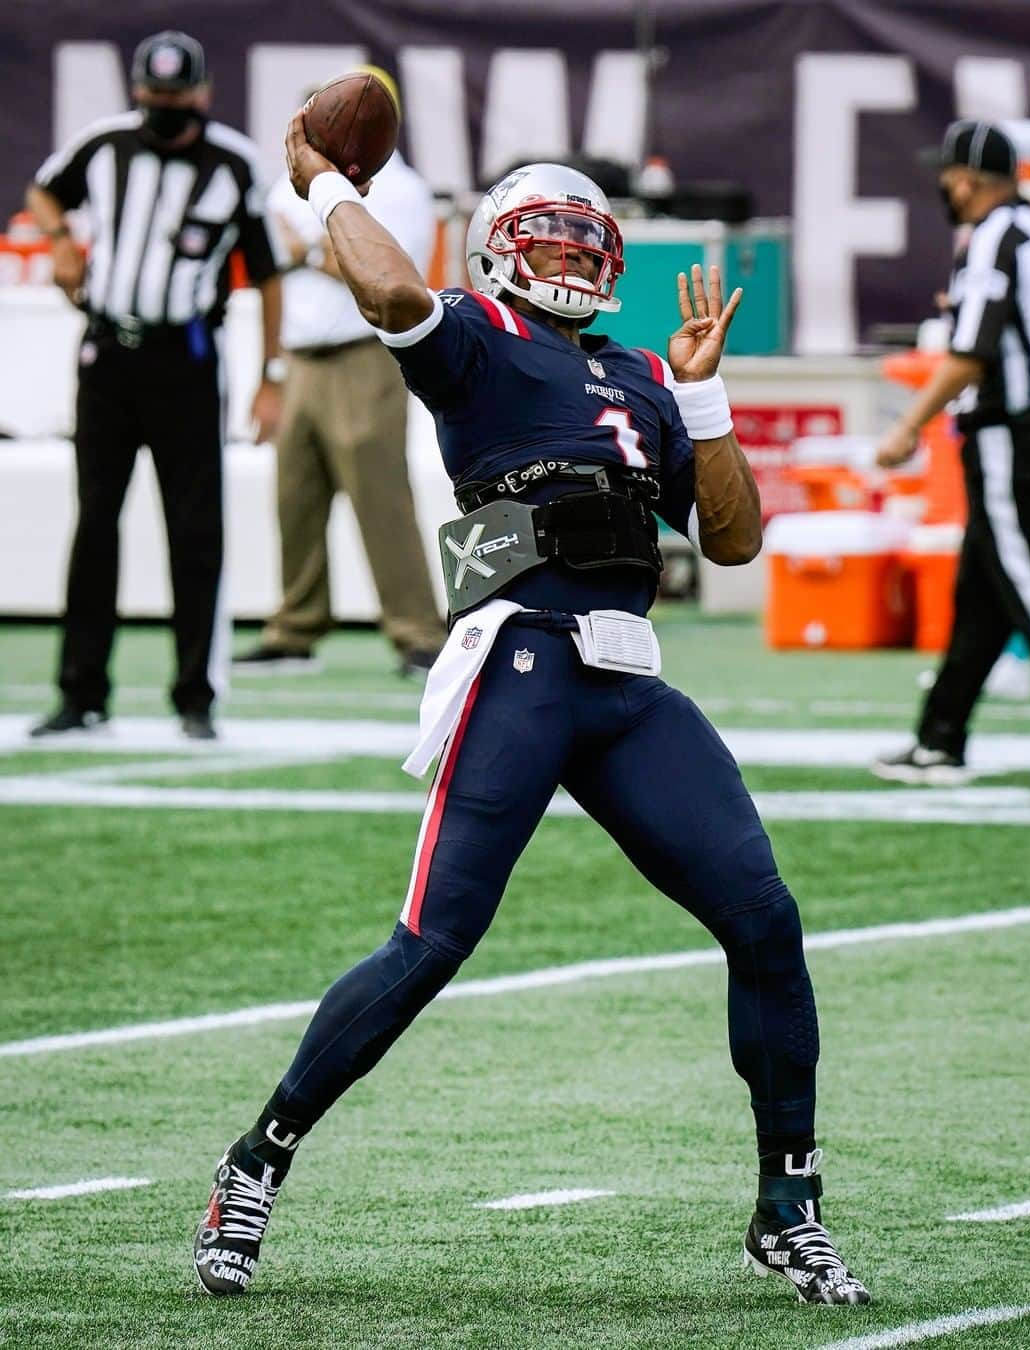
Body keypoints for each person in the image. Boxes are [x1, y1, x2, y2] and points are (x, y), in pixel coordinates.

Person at [192, 114, 870, 1307]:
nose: (568, 259)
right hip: (520, 656)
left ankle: (789, 1204)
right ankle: (257, 1160)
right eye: (544, 238)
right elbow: (391, 284)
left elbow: (735, 538)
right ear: (500, 250)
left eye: (583, 241)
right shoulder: (478, 340)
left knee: (764, 916)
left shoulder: (645, 377)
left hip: (625, 673)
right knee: (433, 943)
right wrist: (318, 186)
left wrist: (704, 403)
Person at [27, 30, 286, 742]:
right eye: (152, 93)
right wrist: (59, 242)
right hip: (108, 354)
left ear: (202, 92)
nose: (163, 105)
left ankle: (195, 697)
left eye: (175, 94)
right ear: (137, 91)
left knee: (196, 532)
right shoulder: (104, 145)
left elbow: (267, 277)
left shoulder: (234, 164)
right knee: (95, 524)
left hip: (187, 362)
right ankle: (81, 694)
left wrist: (272, 378)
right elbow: (44, 192)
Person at [874, 121, 1030, 787]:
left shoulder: (992, 238)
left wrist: (907, 426)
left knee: (1026, 577)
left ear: (965, 179)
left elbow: (970, 352)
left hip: (1009, 432)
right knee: (984, 588)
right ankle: (941, 736)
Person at [233, 67, 446, 679]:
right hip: (301, 356)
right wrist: (269, 372)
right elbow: (272, 266)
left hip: (364, 356)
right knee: (293, 499)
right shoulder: (288, 185)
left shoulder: (400, 189)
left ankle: (416, 632)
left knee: (381, 497)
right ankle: (294, 627)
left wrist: (303, 248)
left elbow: (378, 277)